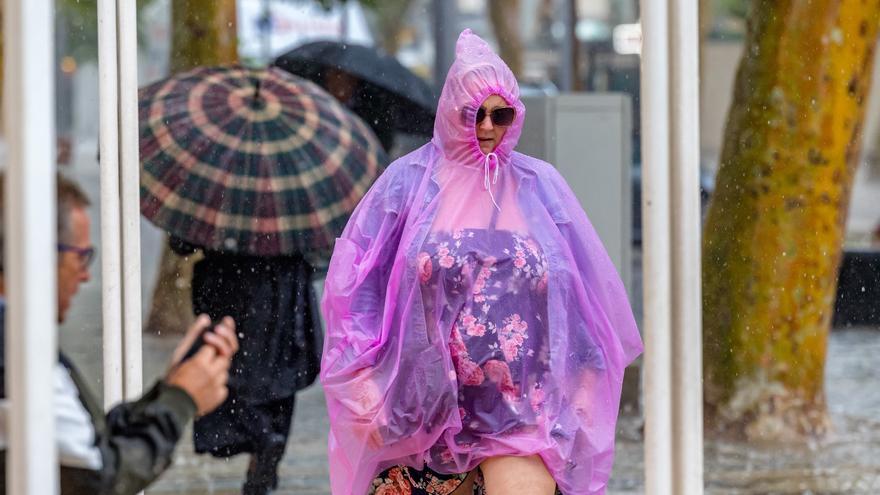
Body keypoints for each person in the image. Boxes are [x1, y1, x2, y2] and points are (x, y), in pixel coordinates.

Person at [320, 29, 643, 495]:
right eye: (474, 114)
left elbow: (580, 295)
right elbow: (357, 286)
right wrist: (362, 386)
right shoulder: (407, 184)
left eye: (500, 114)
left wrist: (584, 383)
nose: (487, 127)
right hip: (418, 415)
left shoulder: (540, 186)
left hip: (523, 415)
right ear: (452, 112)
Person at [0, 172, 239, 494]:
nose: (85, 276)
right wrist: (180, 399)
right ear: (38, 255)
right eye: (81, 257)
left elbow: (83, 446)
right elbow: (99, 479)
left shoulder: (17, 340)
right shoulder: (16, 354)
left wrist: (171, 389)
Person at [170, 235, 322, 494]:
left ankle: (263, 438)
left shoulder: (222, 199)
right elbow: (318, 251)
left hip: (233, 288)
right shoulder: (293, 207)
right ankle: (266, 454)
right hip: (288, 292)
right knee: (278, 385)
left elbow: (182, 243)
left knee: (228, 373)